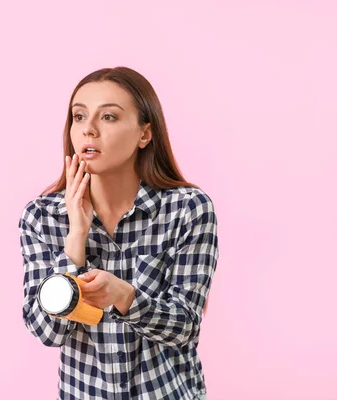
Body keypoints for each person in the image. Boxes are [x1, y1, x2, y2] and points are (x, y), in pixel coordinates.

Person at [18, 66, 219, 400]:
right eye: (79, 117)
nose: (89, 131)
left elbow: (185, 326)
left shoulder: (188, 209)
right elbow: (47, 331)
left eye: (108, 117)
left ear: (145, 134)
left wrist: (125, 297)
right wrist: (75, 241)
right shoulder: (42, 217)